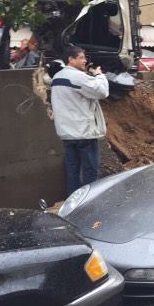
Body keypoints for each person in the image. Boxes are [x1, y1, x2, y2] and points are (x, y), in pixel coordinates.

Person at [51, 46, 109, 196]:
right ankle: (89, 204)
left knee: (72, 172)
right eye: (81, 57)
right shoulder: (77, 77)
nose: (85, 61)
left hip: (67, 134)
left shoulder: (57, 78)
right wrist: (99, 76)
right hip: (84, 133)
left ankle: (72, 204)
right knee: (91, 172)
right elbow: (102, 92)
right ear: (70, 59)